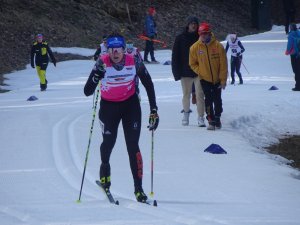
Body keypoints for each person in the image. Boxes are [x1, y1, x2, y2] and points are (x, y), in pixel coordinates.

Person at [83, 33, 159, 203]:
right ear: (107, 50)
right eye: (111, 50)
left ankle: (138, 189)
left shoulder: (134, 61)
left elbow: (148, 83)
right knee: (108, 144)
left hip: (130, 106)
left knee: (133, 146)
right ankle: (105, 177)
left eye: (118, 50)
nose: (114, 53)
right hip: (109, 107)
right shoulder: (102, 62)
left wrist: (154, 109)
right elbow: (87, 91)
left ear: (124, 50)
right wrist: (96, 76)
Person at [189, 22, 228, 130]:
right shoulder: (194, 48)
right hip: (204, 79)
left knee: (217, 100)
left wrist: (223, 80)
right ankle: (210, 119)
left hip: (217, 79)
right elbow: (192, 63)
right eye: (201, 34)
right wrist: (200, 71)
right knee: (208, 100)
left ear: (210, 33)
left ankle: (218, 117)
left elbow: (223, 65)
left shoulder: (218, 46)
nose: (203, 36)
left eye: (205, 33)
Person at [172, 16, 206, 127]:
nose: (193, 25)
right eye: (191, 23)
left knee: (200, 94)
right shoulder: (180, 38)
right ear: (188, 25)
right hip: (185, 71)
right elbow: (175, 56)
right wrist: (176, 73)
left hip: (199, 72)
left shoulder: (201, 37)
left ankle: (201, 117)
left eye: (195, 23)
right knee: (186, 95)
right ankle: (186, 113)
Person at [285, 23, 300, 91]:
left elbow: (289, 44)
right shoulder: (299, 33)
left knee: (296, 70)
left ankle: (298, 86)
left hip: (294, 54)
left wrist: (287, 51)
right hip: (299, 53)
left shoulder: (291, 35)